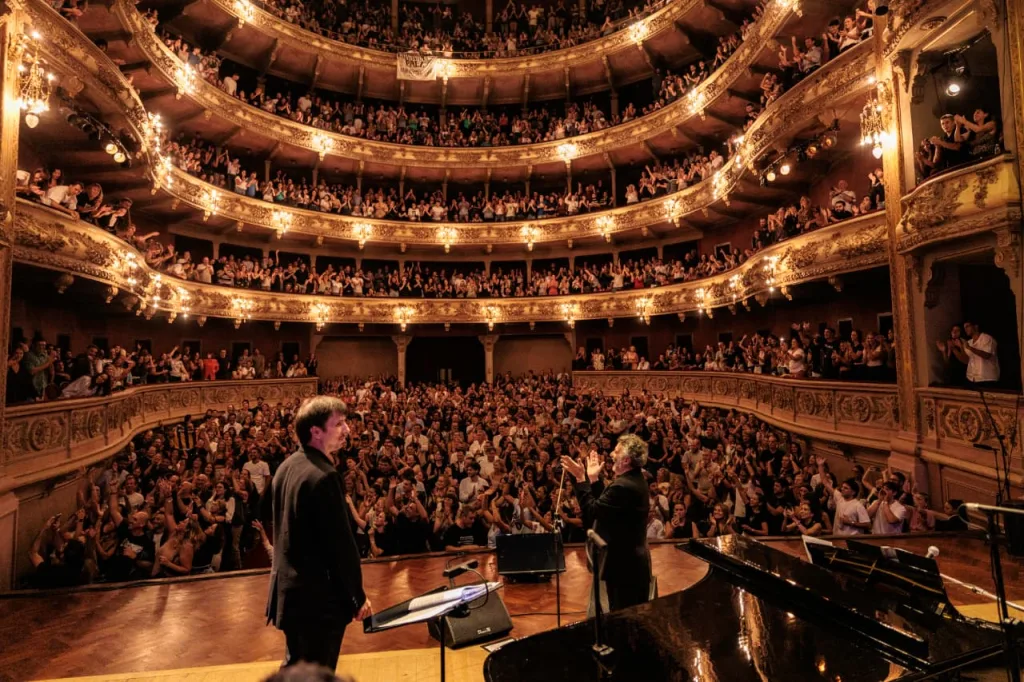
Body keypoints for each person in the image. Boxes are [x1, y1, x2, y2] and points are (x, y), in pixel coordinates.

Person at [266, 396, 372, 670]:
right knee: (317, 673)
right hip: (317, 601)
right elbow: (341, 545)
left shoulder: (286, 467)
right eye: (339, 424)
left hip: (290, 595)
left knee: (295, 668)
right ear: (316, 431)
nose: (347, 430)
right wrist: (356, 596)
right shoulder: (324, 476)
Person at [560, 433, 652, 612]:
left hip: (624, 568)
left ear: (625, 460)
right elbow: (608, 508)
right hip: (630, 564)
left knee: (623, 618)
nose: (611, 454)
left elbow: (593, 513)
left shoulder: (623, 486)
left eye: (616, 452)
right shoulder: (633, 480)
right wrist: (594, 480)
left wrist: (580, 479)